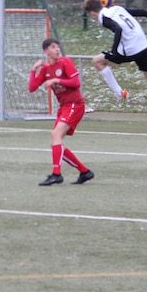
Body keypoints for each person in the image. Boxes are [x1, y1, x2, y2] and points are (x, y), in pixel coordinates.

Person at [28, 37, 94, 186]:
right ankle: (84, 172)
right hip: (64, 107)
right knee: (55, 142)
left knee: (56, 136)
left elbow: (76, 83)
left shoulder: (65, 62)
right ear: (46, 51)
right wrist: (34, 69)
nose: (57, 49)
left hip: (75, 104)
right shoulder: (46, 69)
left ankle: (56, 174)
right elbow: (32, 88)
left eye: (57, 46)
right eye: (53, 47)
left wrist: (56, 80)